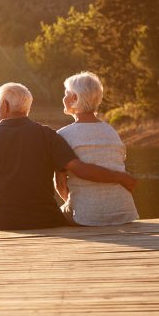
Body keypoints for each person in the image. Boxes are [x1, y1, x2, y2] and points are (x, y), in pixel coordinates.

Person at [0, 82, 136, 230]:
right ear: (27, 108)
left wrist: (9, 211)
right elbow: (78, 168)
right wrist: (120, 177)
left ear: (4, 106)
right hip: (46, 218)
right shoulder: (48, 135)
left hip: (4, 220)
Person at [55, 71, 139, 226]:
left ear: (75, 98)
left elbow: (60, 184)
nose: (63, 98)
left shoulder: (62, 135)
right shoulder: (112, 132)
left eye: (66, 93)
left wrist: (82, 206)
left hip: (86, 216)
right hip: (124, 212)